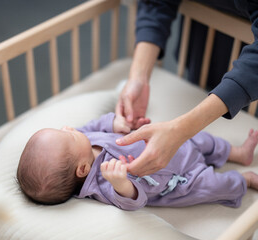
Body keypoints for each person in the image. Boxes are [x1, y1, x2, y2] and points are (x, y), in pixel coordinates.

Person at [115, 0, 258, 177]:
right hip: (206, 39)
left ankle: (241, 166)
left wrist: (180, 130)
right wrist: (138, 77)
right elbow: (155, 3)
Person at [16, 113, 258, 210]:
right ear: (83, 169)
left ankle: (237, 154)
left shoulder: (82, 140)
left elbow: (94, 125)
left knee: (200, 137)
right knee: (212, 186)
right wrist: (121, 184)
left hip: (172, 144)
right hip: (179, 180)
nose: (69, 128)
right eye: (67, 134)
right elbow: (133, 202)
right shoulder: (101, 184)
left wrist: (115, 124)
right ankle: (243, 180)